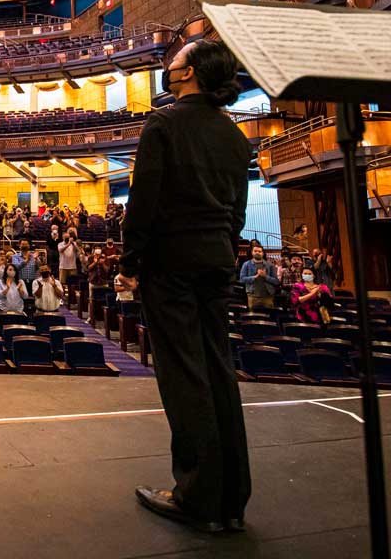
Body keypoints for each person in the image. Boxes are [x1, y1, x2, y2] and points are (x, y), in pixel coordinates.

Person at [116, 40, 252, 533]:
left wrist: (130, 262)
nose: (166, 70)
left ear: (188, 73)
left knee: (184, 376)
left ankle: (197, 494)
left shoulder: (165, 124)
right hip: (217, 259)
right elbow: (236, 211)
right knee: (219, 369)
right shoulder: (235, 136)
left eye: (172, 65)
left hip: (171, 262)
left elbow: (144, 199)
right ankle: (232, 498)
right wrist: (224, 244)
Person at [239, 244, 279, 311]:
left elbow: (276, 281)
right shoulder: (246, 264)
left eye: (259, 251)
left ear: (263, 253)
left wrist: (265, 276)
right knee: (253, 317)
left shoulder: (270, 265)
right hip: (252, 296)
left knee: (269, 317)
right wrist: (254, 277)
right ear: (252, 252)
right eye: (255, 251)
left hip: (267, 296)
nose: (257, 252)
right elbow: (242, 279)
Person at [86, 247, 113, 324]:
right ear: (94, 253)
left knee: (105, 300)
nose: (98, 256)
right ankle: (90, 317)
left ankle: (105, 318)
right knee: (91, 300)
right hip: (93, 282)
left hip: (103, 282)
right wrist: (95, 262)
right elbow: (88, 268)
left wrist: (103, 263)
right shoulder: (90, 258)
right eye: (96, 254)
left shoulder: (105, 258)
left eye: (99, 255)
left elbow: (107, 270)